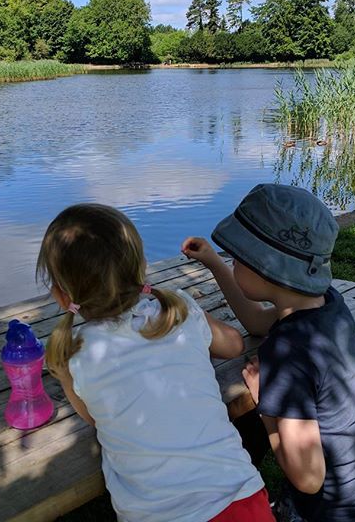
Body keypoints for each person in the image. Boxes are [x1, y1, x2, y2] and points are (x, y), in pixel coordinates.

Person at [37, 203, 274, 522]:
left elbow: (98, 418)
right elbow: (233, 345)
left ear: (61, 296)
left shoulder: (74, 353)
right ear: (142, 267)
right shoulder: (181, 311)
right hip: (242, 502)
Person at [182, 184, 355, 522]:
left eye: (238, 257)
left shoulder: (289, 353)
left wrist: (265, 405)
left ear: (265, 267)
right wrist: (214, 263)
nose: (234, 261)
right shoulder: (328, 305)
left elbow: (308, 478)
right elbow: (256, 321)